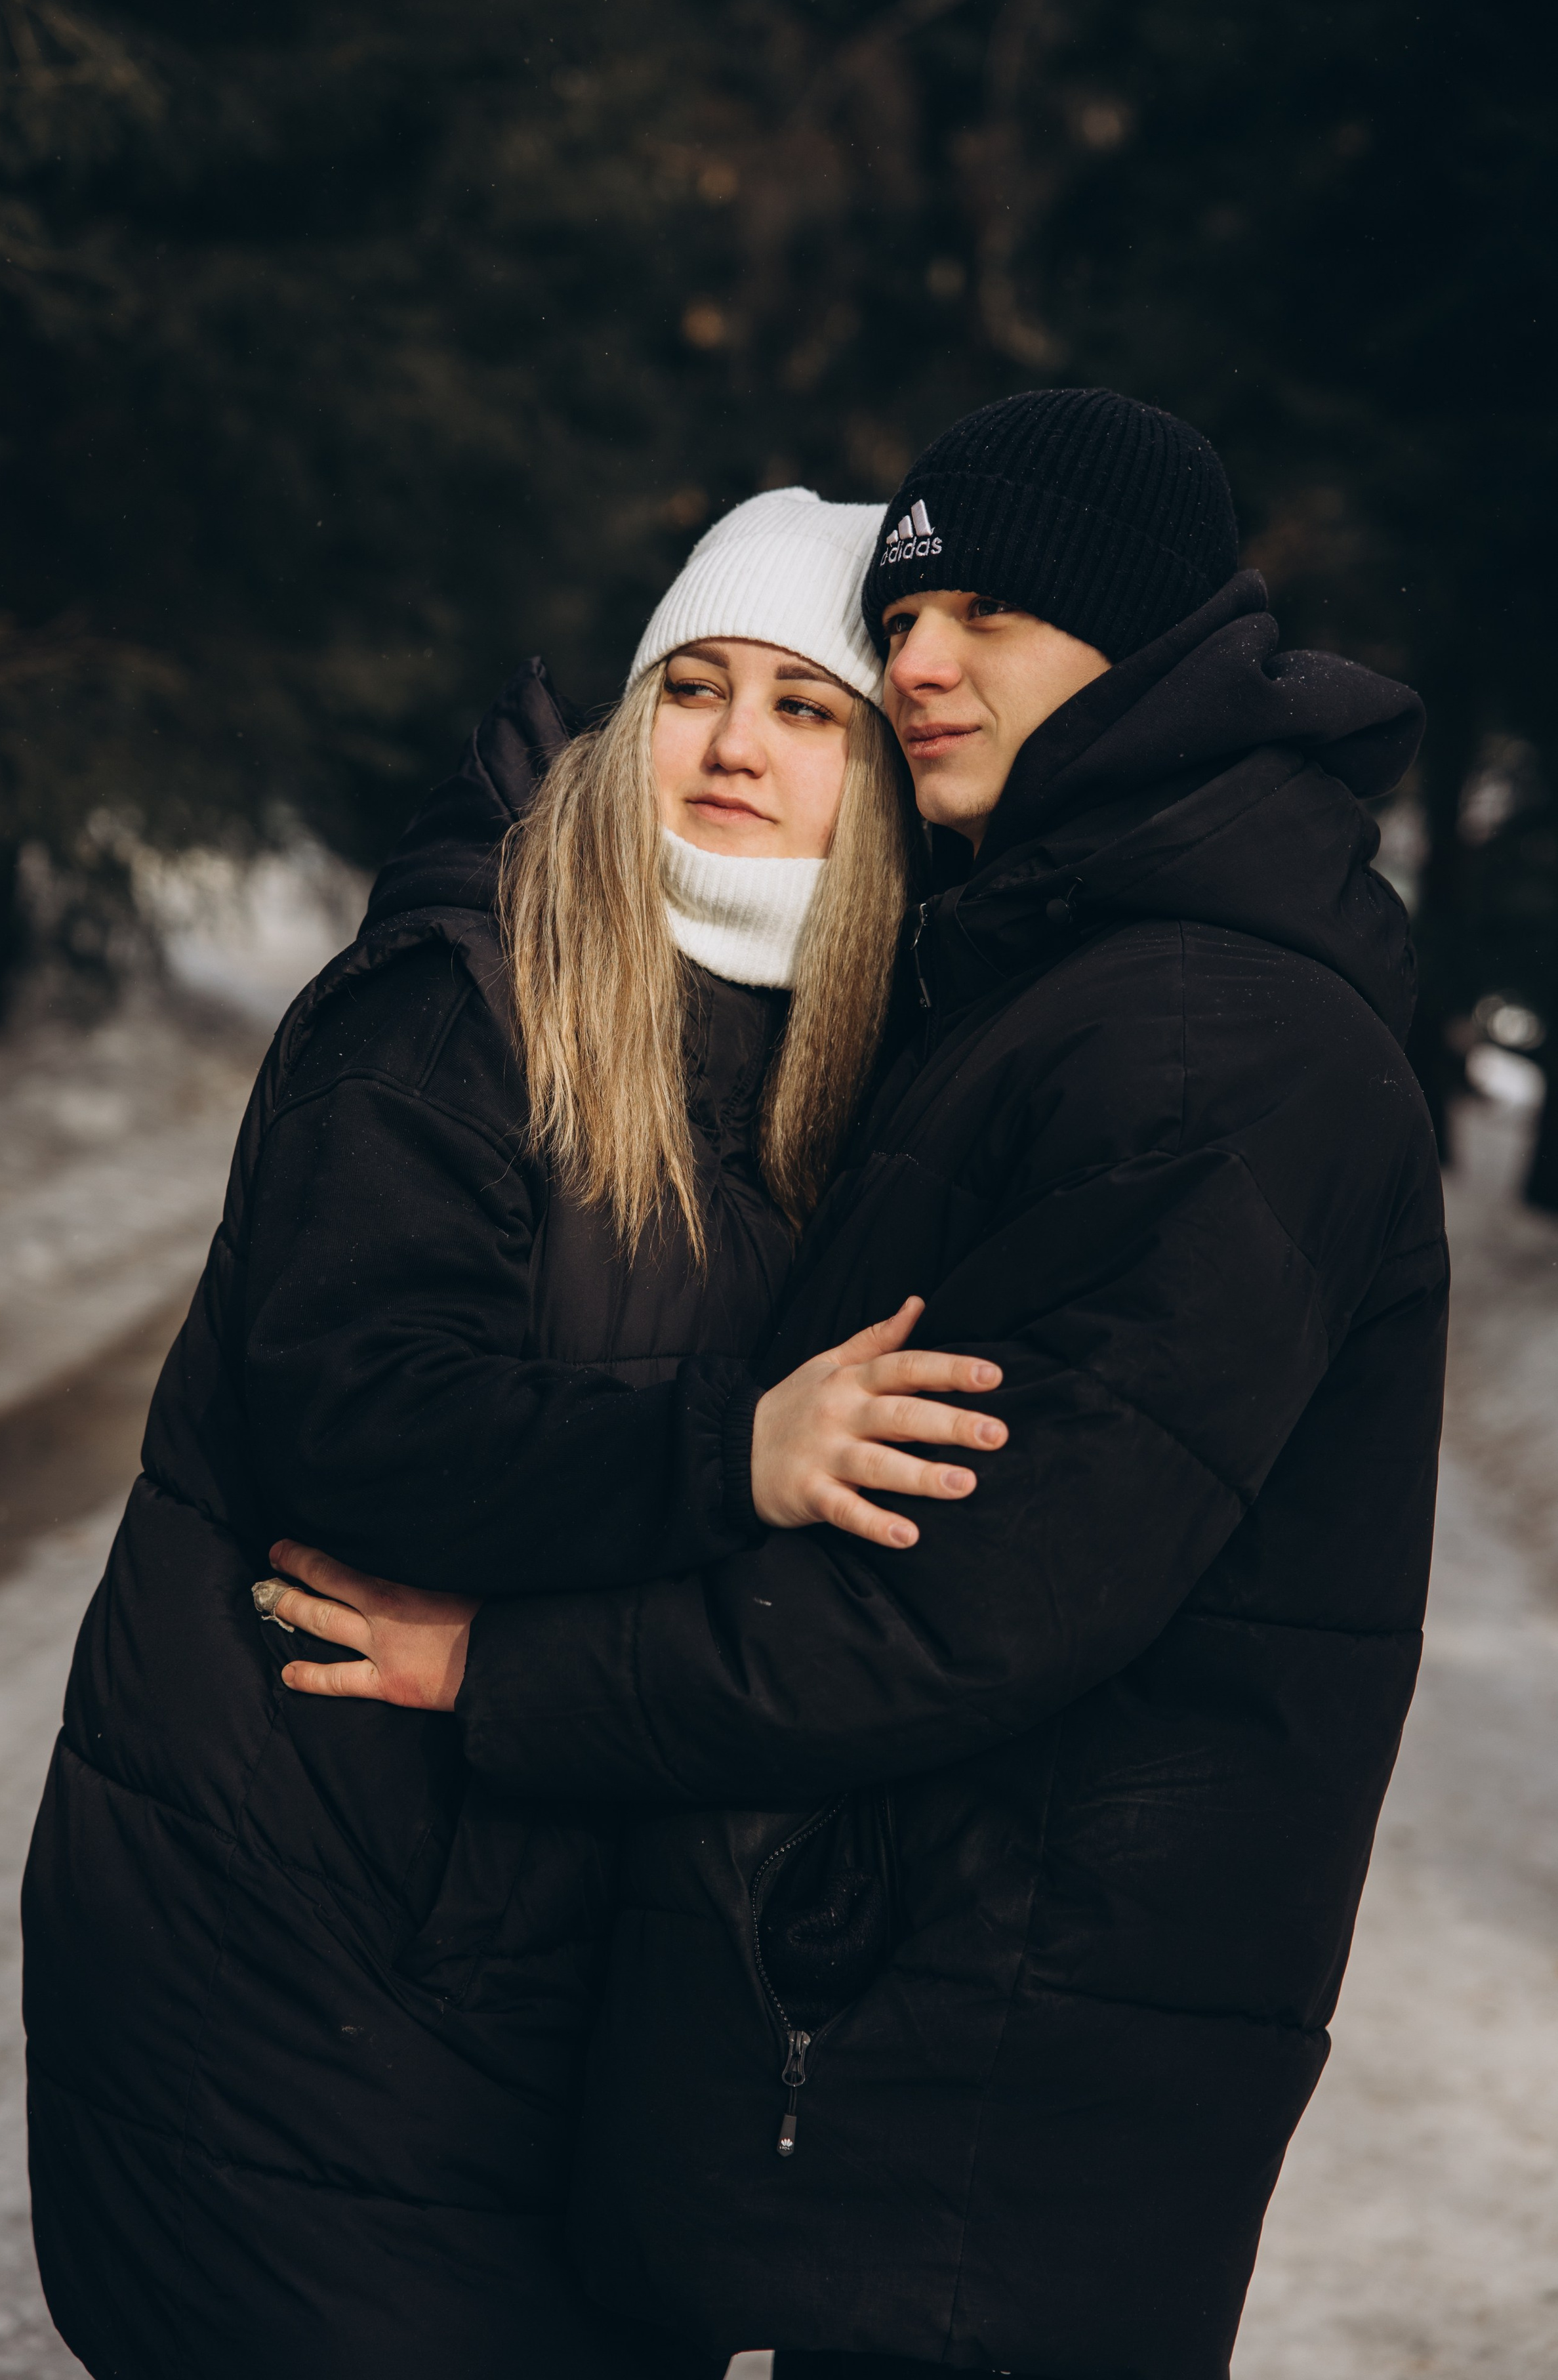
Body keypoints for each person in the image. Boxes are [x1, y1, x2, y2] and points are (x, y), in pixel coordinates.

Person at [272, 390, 1446, 2380]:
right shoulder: (1074, 961)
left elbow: (960, 1595)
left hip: (1004, 2075)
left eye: (980, 613)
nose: (914, 664)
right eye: (895, 620)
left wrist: (510, 1675)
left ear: (1146, 632)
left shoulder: (1204, 1035)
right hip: (933, 2039)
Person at [20, 484, 1007, 2380]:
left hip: (542, 1953)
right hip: (294, 1927)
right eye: (694, 688)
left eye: (808, 710)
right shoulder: (467, 992)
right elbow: (357, 1418)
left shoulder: (855, 1060)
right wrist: (731, 1453)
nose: (735, 747)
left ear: (880, 776)